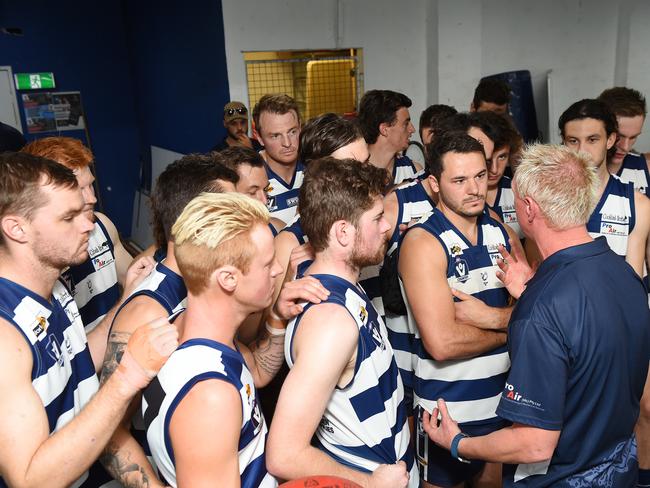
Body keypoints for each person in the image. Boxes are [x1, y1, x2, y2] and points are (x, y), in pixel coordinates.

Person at [422, 143, 650, 487]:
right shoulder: (624, 275)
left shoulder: (541, 310)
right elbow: (587, 346)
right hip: (617, 468)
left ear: (529, 209)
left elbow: (534, 444)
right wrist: (535, 291)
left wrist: (457, 442)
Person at [0, 152, 178, 488]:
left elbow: (77, 363)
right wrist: (128, 377)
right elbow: (30, 479)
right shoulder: (5, 336)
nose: (88, 223)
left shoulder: (52, 287)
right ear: (16, 228)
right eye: (68, 217)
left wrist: (124, 302)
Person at [267, 158, 415, 487]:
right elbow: (284, 454)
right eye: (376, 218)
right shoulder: (331, 323)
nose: (386, 226)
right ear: (343, 232)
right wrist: (370, 483)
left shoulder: (335, 281)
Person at [99, 154, 240, 486]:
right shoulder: (148, 310)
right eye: (229, 211)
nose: (241, 222)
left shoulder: (204, 278)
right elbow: (106, 431)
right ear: (192, 222)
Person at [399, 132, 521, 488]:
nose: (474, 189)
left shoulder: (500, 232)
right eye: (460, 180)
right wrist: (511, 328)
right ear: (435, 183)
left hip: (500, 407)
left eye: (480, 176)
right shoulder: (423, 243)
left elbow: (533, 309)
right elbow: (443, 344)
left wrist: (495, 318)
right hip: (446, 412)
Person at [143, 192, 283, 487]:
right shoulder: (210, 397)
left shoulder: (184, 325)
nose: (278, 270)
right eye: (268, 264)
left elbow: (255, 373)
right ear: (228, 279)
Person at [21, 137, 135, 334]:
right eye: (79, 190)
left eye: (90, 185)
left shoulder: (102, 226)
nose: (92, 198)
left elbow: (134, 278)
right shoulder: (35, 259)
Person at [555, 99, 650, 278]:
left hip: (612, 304)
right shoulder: (545, 197)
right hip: (562, 305)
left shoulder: (637, 204)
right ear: (564, 142)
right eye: (573, 141)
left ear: (610, 140)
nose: (582, 150)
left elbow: (632, 283)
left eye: (592, 140)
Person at [252, 94, 303, 224]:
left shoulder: (315, 166)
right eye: (275, 136)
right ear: (259, 138)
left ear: (300, 127)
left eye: (292, 132)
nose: (287, 143)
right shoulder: (249, 178)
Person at [358, 89, 423, 185]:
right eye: (406, 124)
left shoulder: (414, 172)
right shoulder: (353, 173)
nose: (412, 129)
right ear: (384, 129)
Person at [219, 145, 286, 234]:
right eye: (253, 192)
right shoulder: (209, 243)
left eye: (266, 190)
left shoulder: (278, 230)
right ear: (228, 191)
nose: (265, 201)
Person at [598, 87, 649, 195]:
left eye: (633, 137)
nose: (625, 147)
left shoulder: (646, 167)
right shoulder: (570, 170)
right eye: (618, 137)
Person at [484, 113, 525, 239]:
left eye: (502, 157)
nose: (494, 169)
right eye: (488, 159)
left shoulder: (520, 192)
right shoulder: (458, 196)